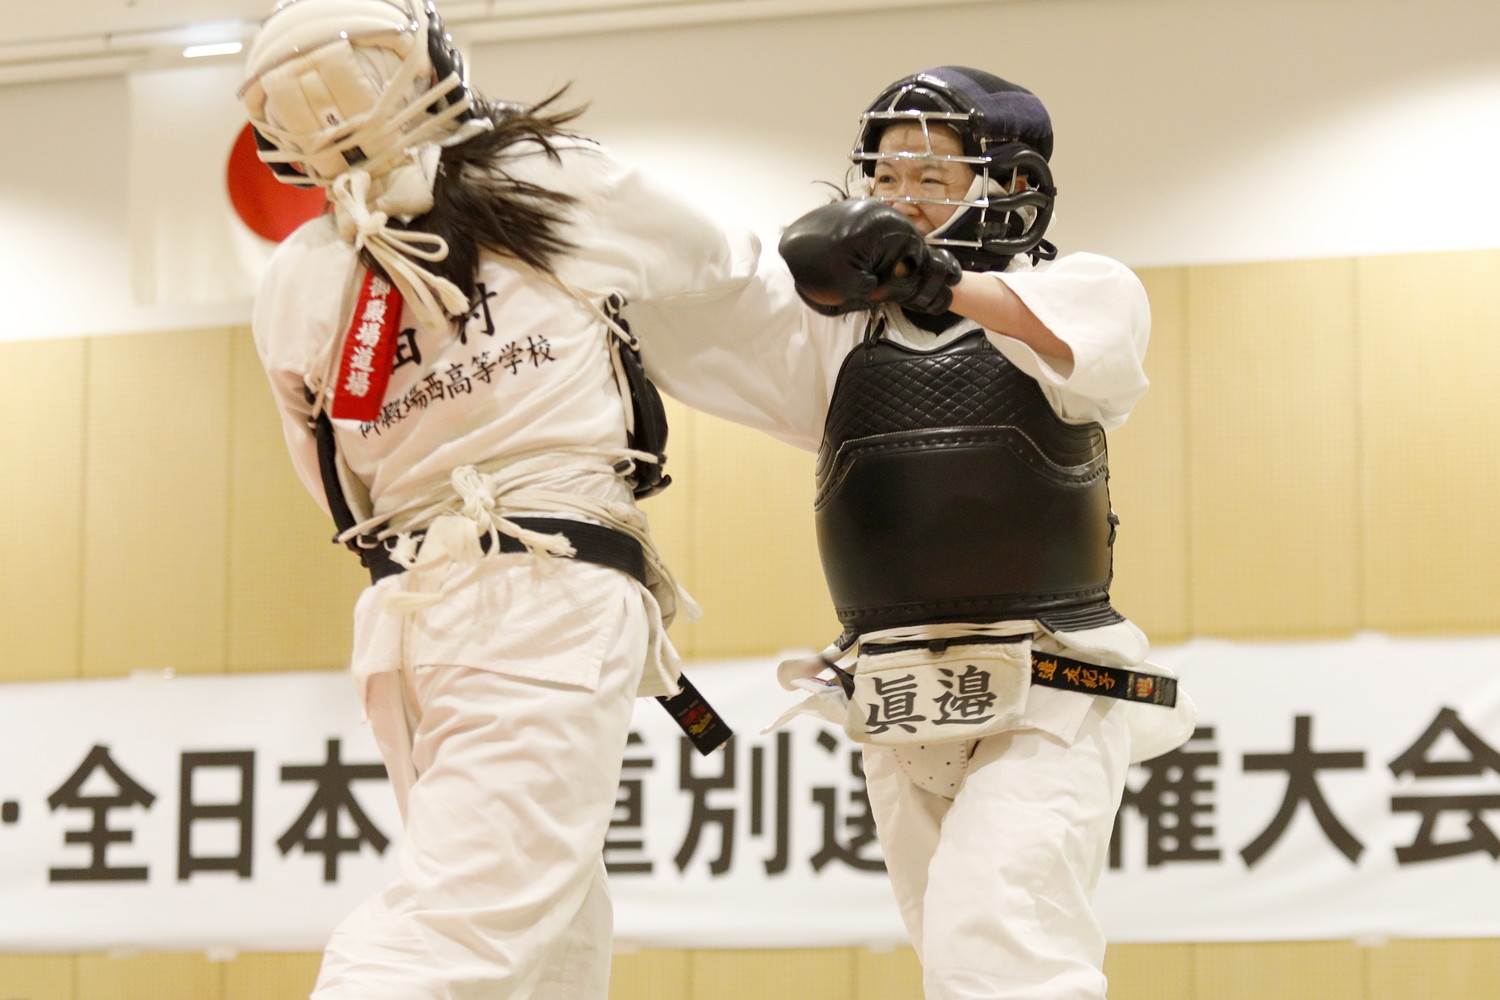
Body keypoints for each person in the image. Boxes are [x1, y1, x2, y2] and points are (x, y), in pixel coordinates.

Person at [235, 1, 770, 997]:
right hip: (542, 590)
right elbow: (717, 252)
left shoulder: (293, 281)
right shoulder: (541, 178)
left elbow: (334, 488)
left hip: (412, 615)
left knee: (552, 927)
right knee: (462, 926)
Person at [630, 66, 1197, 1000]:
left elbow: (1071, 344)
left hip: (1048, 678)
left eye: (934, 178)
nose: (903, 201)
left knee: (1002, 943)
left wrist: (936, 277)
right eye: (886, 177)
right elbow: (707, 311)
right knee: (947, 952)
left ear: (1008, 186)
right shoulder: (840, 340)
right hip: (894, 694)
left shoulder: (1084, 288)